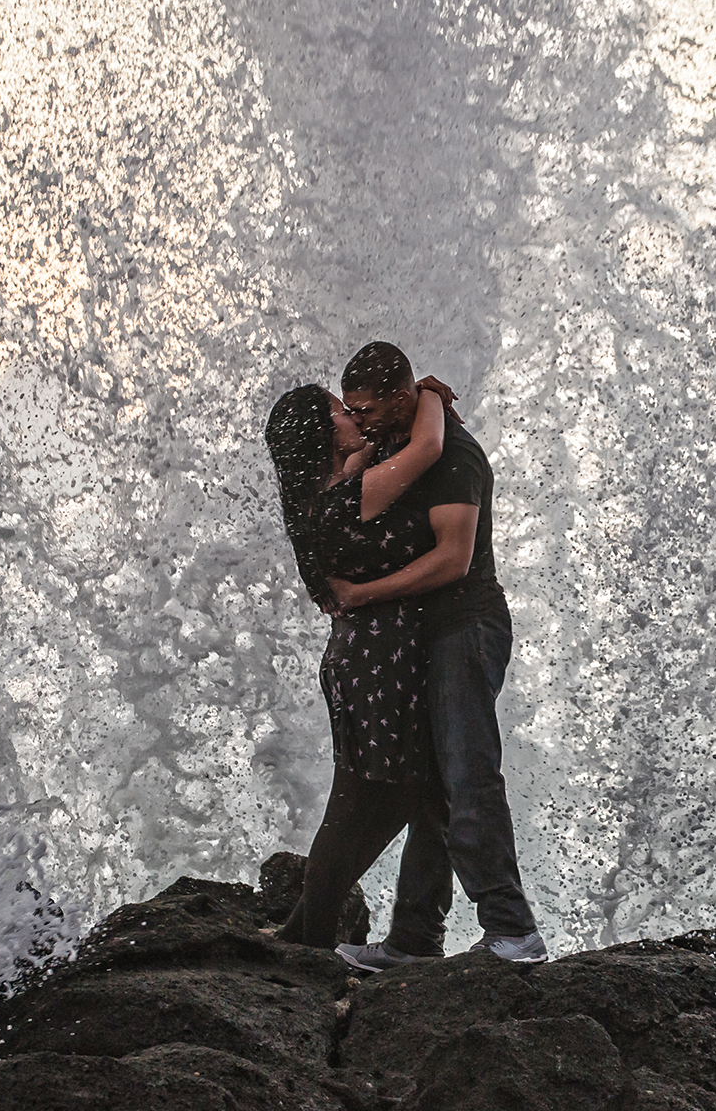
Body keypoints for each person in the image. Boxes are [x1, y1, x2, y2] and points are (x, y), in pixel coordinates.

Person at [327, 341, 547, 966]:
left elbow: (453, 560)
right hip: (427, 637)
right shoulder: (403, 440)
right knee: (432, 790)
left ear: (401, 399)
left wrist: (364, 594)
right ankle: (415, 938)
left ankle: (513, 929)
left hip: (467, 627)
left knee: (469, 775)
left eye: (369, 409)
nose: (360, 420)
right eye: (352, 410)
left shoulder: (452, 455)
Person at [261, 380, 447, 949]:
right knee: (390, 798)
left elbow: (370, 454)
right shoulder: (345, 498)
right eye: (342, 413)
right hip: (378, 665)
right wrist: (429, 397)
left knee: (372, 797)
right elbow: (428, 449)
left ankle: (308, 928)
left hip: (361, 661)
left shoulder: (320, 494)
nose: (354, 419)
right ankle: (315, 933)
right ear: (322, 435)